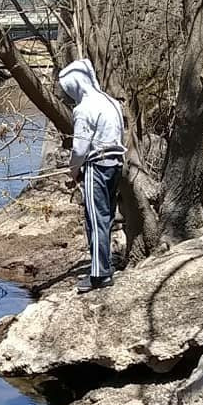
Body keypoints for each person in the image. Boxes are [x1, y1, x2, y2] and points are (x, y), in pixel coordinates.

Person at [58, 58, 126, 293]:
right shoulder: (111, 102)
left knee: (96, 220)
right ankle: (104, 267)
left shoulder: (83, 109)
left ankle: (99, 275)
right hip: (117, 163)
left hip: (96, 166)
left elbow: (79, 149)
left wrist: (73, 171)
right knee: (105, 218)